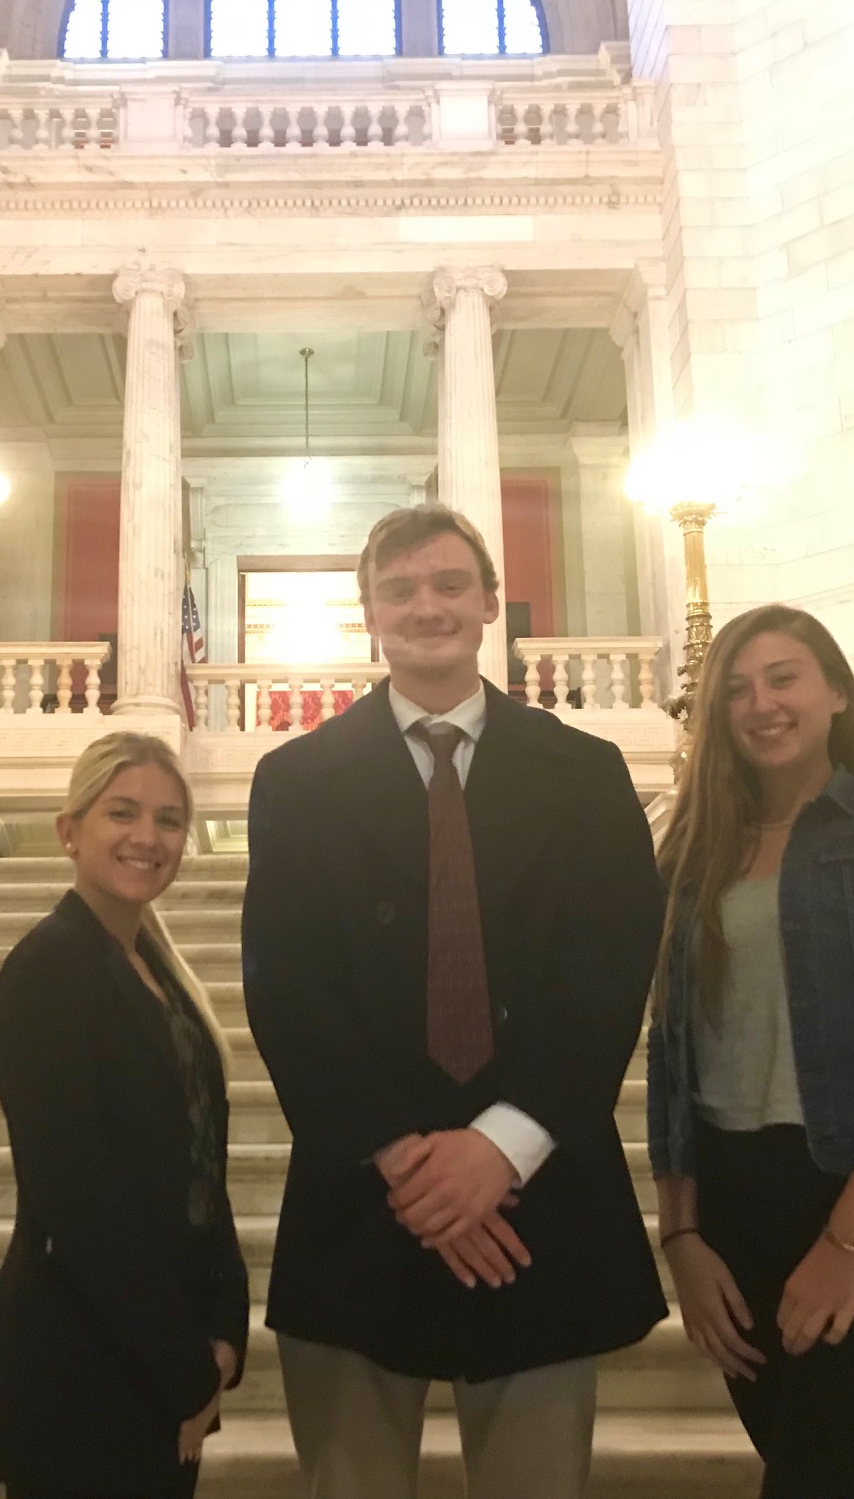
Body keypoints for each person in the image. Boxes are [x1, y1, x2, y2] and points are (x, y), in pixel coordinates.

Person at [243, 506, 666, 1499]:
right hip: (361, 1196)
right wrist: (409, 1160)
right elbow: (288, 987)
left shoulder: (587, 771)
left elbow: (606, 972)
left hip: (536, 1200)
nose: (424, 605)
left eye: (445, 583)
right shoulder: (294, 781)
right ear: (369, 615)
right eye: (398, 589)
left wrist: (498, 1145)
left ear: (486, 602)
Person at [648, 604, 854, 1499]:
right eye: (736, 688)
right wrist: (680, 1230)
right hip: (735, 1206)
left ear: (836, 690)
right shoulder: (687, 851)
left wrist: (848, 1235)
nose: (761, 702)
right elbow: (673, 1057)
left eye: (783, 677)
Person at [0, 731, 248, 1499]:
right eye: (122, 812)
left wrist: (225, 1333)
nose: (147, 837)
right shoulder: (47, 970)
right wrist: (189, 1371)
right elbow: (77, 1199)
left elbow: (201, 1172)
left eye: (169, 819)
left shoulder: (157, 970)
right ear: (69, 829)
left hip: (160, 1360)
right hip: (81, 1369)